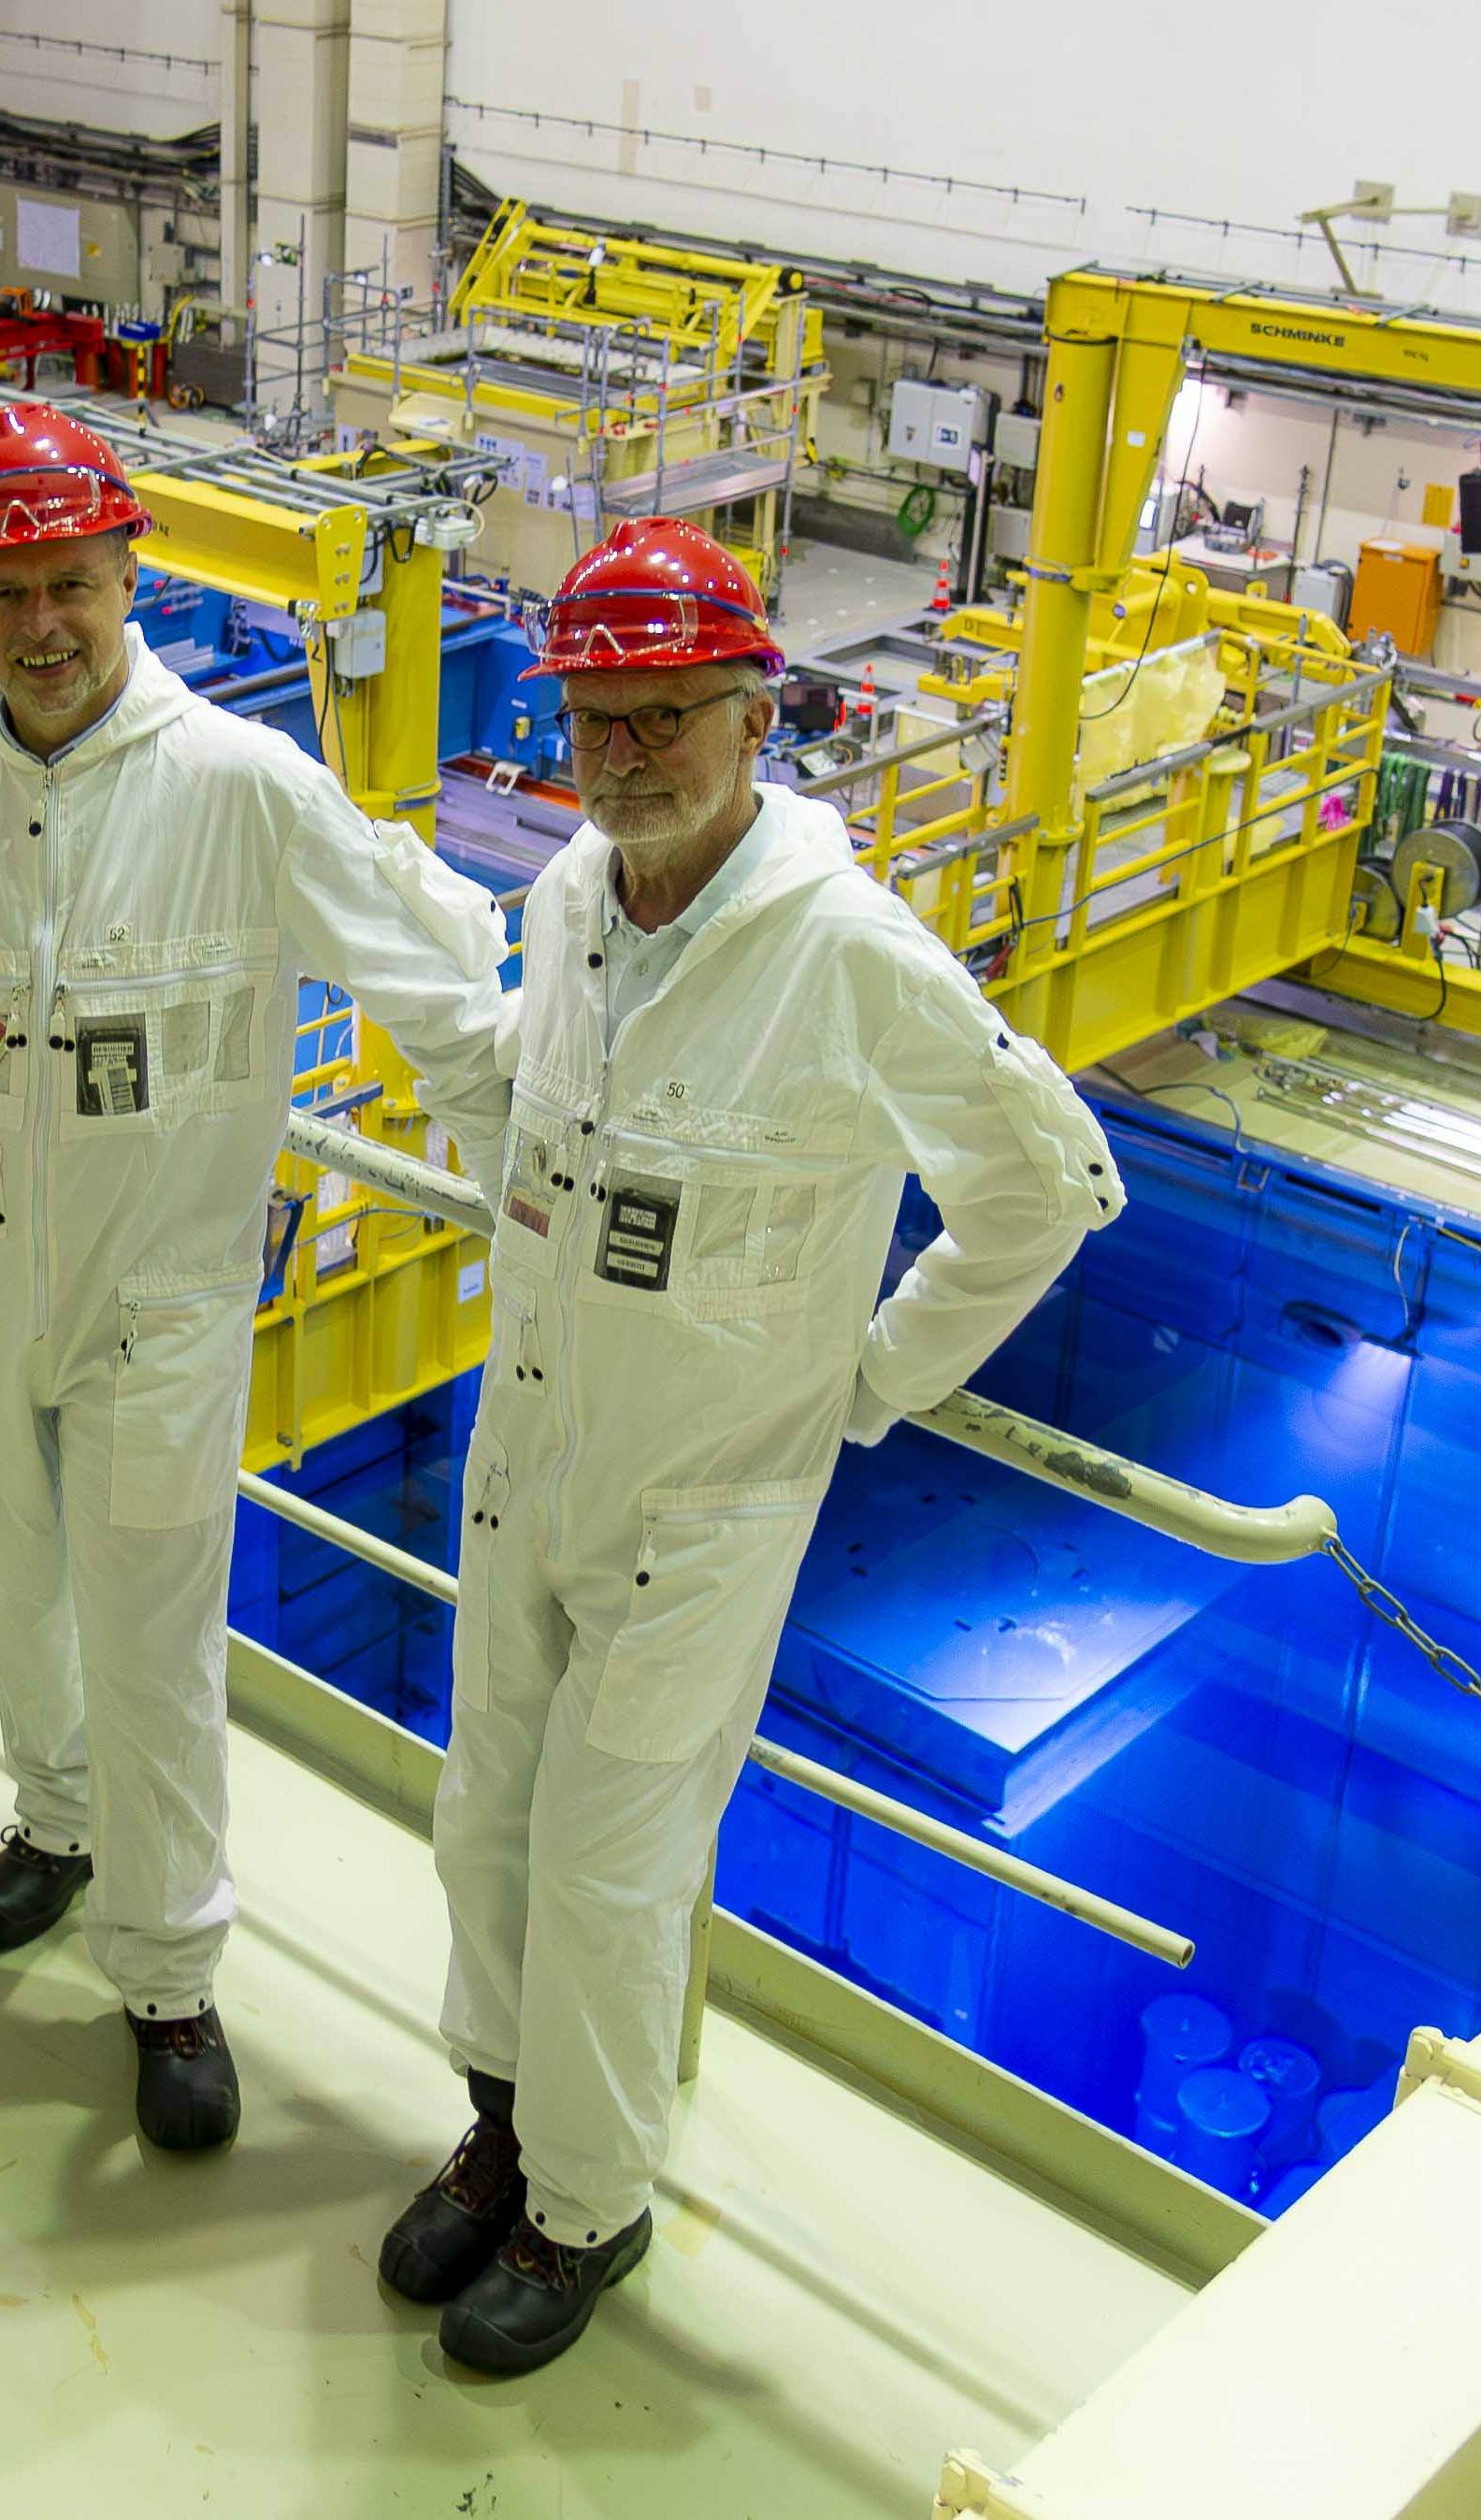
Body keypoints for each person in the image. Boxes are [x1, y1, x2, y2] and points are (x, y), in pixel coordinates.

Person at [381, 517, 1123, 2374]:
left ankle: (584, 2207)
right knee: (488, 1823)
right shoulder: (566, 897)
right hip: (529, 1453)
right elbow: (548, 1154)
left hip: (705, 1502)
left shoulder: (846, 955)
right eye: (592, 717)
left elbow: (1042, 1188)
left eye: (664, 718)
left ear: (752, 715)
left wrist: (868, 1381)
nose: (620, 754)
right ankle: (501, 2125)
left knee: (616, 1865)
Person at [0, 403, 515, 2154]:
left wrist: (534, 1183)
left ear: (130, 574)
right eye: (3, 595)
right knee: (14, 1602)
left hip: (159, 1323)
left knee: (153, 1655)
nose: (41, 625)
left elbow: (444, 973)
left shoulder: (241, 793)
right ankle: (54, 1828)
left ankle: (169, 1975)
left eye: (71, 584)